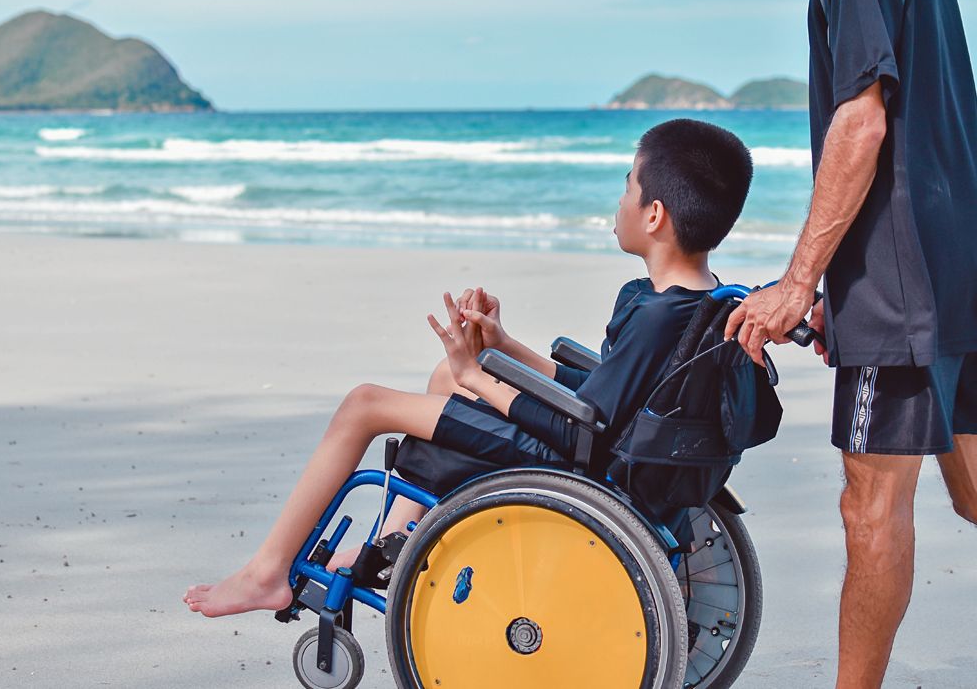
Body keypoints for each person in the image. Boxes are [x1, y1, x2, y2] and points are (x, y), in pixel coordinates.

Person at [183, 118, 753, 618]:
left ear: (654, 214)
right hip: (613, 453)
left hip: (585, 467)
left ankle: (268, 573)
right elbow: (606, 395)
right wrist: (498, 350)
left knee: (366, 403)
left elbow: (584, 425)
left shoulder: (656, 314)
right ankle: (393, 541)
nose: (619, 200)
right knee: (445, 376)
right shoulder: (698, 303)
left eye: (627, 186)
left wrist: (482, 375)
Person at [724, 0, 977, 687]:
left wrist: (801, 280)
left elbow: (862, 123)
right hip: (957, 249)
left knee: (871, 504)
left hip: (902, 272)